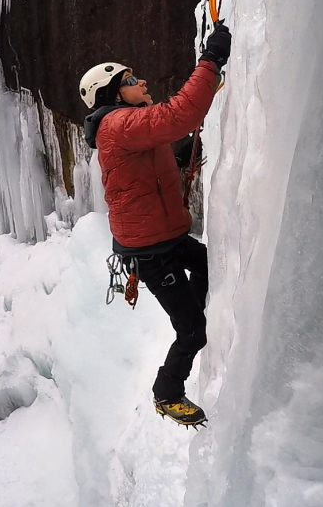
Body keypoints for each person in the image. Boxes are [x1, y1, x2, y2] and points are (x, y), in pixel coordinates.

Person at [79, 22, 231, 426]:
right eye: (130, 79)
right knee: (192, 332)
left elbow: (158, 157)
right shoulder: (118, 124)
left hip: (168, 237)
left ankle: (199, 316)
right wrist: (211, 61)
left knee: (214, 271)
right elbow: (179, 115)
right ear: (112, 94)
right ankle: (167, 393)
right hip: (150, 252)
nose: (141, 81)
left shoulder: (129, 125)